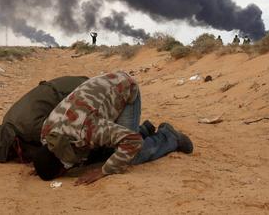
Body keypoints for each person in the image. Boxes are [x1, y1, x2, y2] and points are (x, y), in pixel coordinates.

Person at [33, 71, 193, 185]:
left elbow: (132, 141)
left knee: (131, 156)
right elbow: (53, 155)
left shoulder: (88, 131)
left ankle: (170, 137)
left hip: (125, 88)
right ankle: (146, 129)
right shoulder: (47, 133)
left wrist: (105, 170)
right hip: (104, 87)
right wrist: (43, 165)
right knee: (106, 146)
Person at [0, 76, 89, 163]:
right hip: (67, 83)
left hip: (76, 90)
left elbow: (60, 140)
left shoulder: (30, 128)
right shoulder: (8, 119)